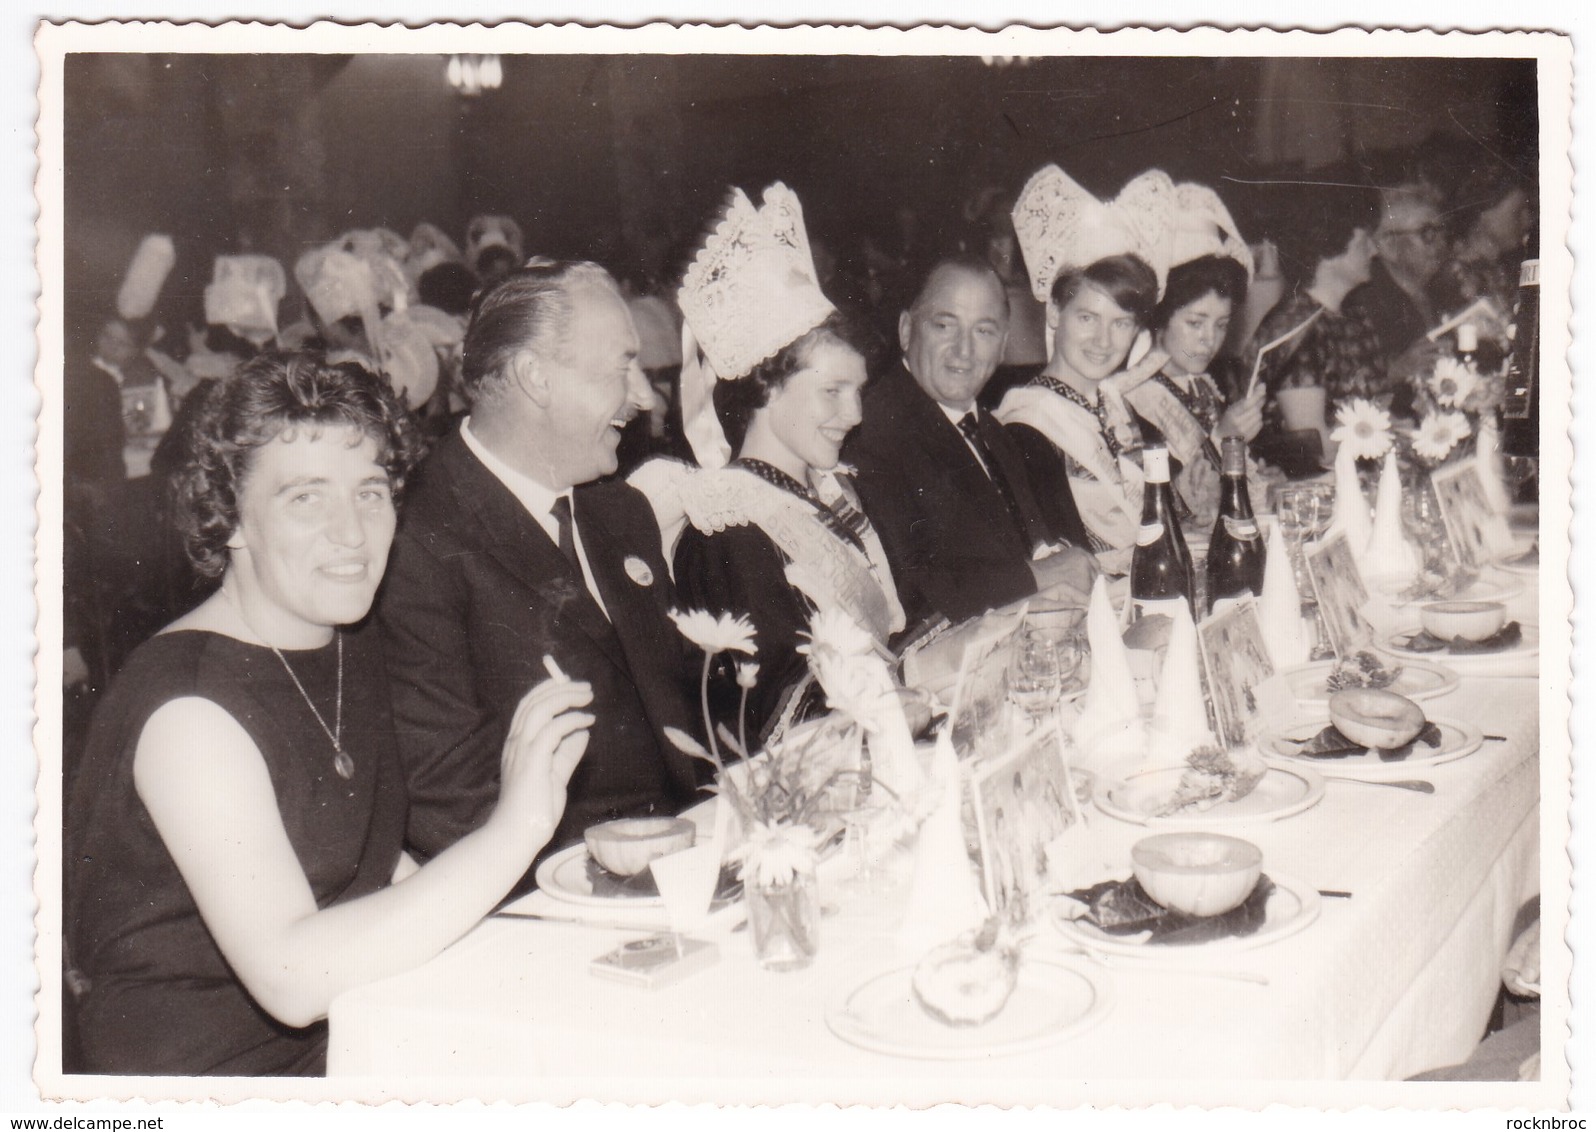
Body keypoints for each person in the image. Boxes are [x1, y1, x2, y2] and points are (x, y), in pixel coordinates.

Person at [64, 353, 596, 1076]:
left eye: (370, 492)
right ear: (231, 522)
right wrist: (518, 828)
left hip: (357, 1034)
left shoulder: (343, 638)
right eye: (305, 499)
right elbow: (290, 978)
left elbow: (373, 872)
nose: (352, 533)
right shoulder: (189, 709)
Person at [376, 261, 703, 876]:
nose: (644, 396)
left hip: (683, 853)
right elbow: (451, 805)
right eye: (620, 368)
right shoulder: (415, 540)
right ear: (535, 377)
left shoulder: (620, 510)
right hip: (556, 892)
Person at [845, 255, 1096, 628]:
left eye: (984, 331)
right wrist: (1040, 576)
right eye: (944, 325)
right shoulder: (872, 433)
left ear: (1004, 345)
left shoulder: (989, 429)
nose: (964, 351)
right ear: (905, 330)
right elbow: (905, 595)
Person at [994, 254, 1162, 572]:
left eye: (1121, 323)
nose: (1103, 340)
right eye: (1087, 318)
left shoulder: (1119, 409)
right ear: (1055, 313)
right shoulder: (1025, 429)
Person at [1247, 181, 1388, 441]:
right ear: (1331, 244)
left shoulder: (1353, 316)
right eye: (1365, 239)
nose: (1374, 250)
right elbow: (1313, 444)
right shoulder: (1294, 328)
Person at [1344, 182, 1451, 414]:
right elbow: (1345, 391)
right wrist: (1397, 370)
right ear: (1387, 246)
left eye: (1442, 230)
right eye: (1427, 233)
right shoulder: (1362, 305)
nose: (1441, 243)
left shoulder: (1443, 289)